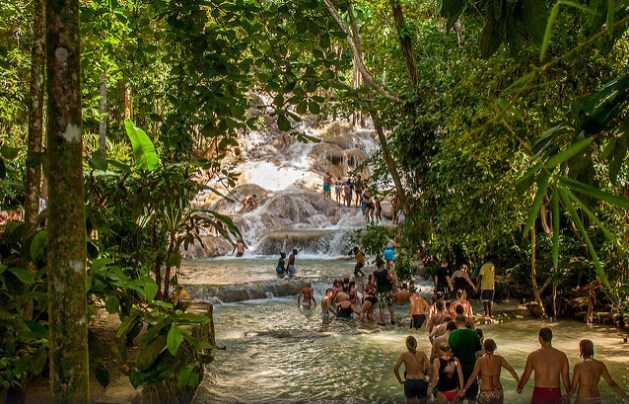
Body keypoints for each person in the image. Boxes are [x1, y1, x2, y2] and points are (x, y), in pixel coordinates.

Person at [517, 327, 571, 404]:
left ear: (540, 338)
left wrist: (520, 387)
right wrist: (569, 394)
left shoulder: (533, 356)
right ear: (551, 338)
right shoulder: (562, 356)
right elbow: (566, 379)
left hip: (539, 393)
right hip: (555, 393)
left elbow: (526, 375)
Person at [460, 339, 520, 404]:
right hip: (498, 392)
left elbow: (473, 376)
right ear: (494, 347)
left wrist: (464, 389)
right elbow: (511, 370)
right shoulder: (499, 359)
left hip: (485, 393)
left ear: (484, 347)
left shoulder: (480, 361)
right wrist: (519, 383)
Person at [571, 339, 628, 404]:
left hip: (583, 400)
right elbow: (611, 383)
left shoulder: (579, 366)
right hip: (596, 399)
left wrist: (567, 397)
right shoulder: (600, 365)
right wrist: (626, 396)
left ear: (581, 350)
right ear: (592, 350)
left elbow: (573, 388)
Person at [448, 315, 482, 403]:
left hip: (457, 370)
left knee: (458, 397)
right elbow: (479, 352)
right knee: (472, 398)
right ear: (465, 321)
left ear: (456, 322)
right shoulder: (473, 333)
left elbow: (450, 353)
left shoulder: (452, 334)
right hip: (472, 368)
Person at [394, 336, 430, 404]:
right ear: (416, 344)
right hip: (421, 381)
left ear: (407, 345)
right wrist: (426, 375)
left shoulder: (404, 355)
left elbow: (396, 368)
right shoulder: (422, 354)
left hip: (409, 382)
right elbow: (429, 367)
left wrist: (400, 380)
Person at [374, 257, 396, 325]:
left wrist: (377, 287)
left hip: (380, 292)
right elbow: (391, 278)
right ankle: (392, 320)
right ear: (381, 264)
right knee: (390, 305)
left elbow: (372, 282)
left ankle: (382, 322)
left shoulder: (375, 273)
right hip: (388, 291)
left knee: (381, 307)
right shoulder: (386, 271)